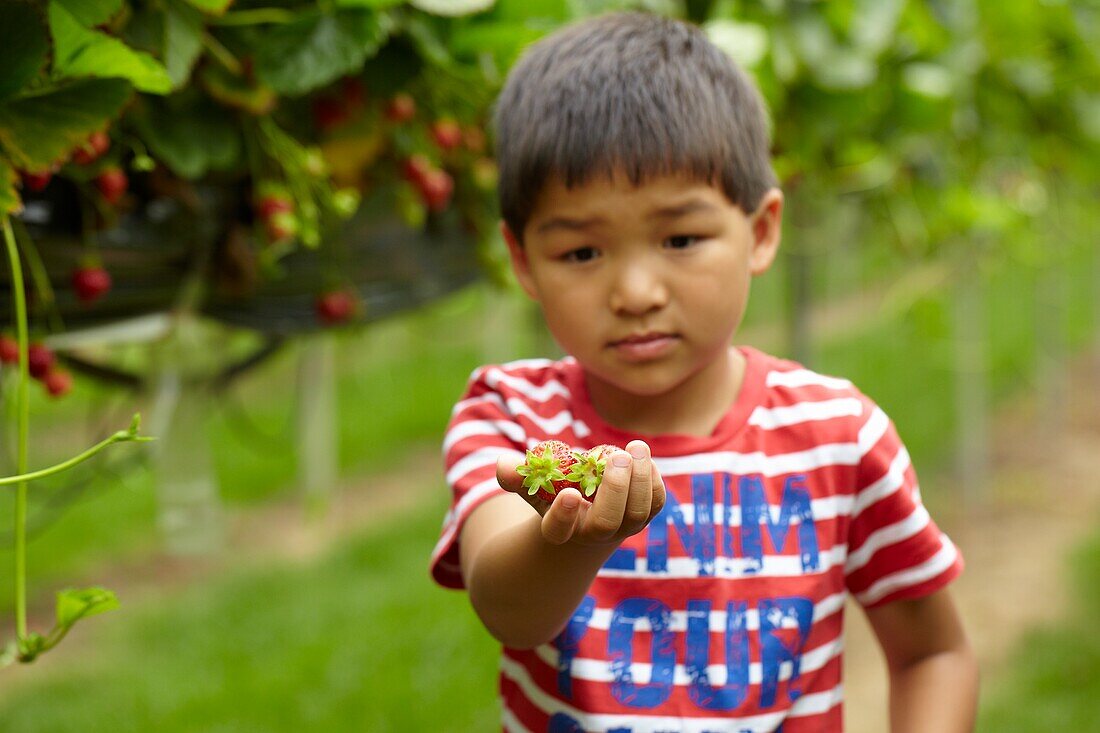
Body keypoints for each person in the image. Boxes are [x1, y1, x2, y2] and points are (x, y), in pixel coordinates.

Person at [429, 11, 978, 732]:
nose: (635, 292)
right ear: (523, 260)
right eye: (582, 253)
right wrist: (577, 538)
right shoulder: (511, 417)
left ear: (761, 231)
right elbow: (511, 612)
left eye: (680, 237)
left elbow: (933, 652)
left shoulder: (838, 437)